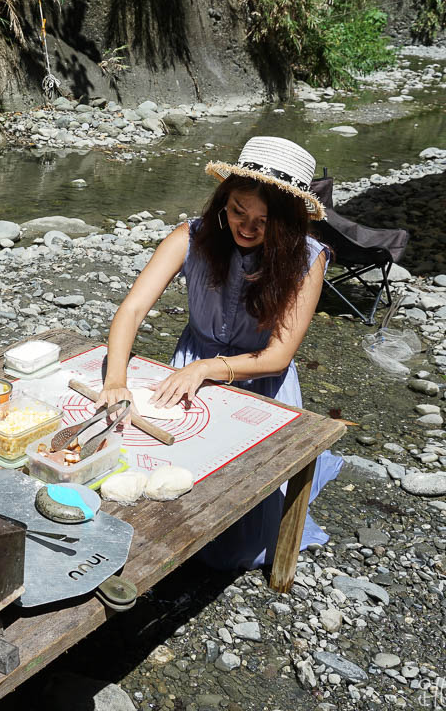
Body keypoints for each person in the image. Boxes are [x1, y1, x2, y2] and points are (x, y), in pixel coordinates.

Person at [97, 136, 342, 571]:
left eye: (263, 221)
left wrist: (209, 368)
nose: (246, 228)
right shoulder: (190, 236)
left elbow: (278, 356)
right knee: (157, 482)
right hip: (191, 364)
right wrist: (115, 380)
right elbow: (132, 310)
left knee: (240, 529)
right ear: (223, 202)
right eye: (236, 212)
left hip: (259, 377)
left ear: (285, 223)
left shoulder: (308, 258)